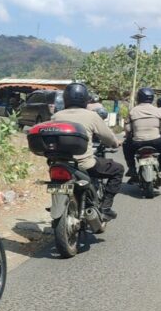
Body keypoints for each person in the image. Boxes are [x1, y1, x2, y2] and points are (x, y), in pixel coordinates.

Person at [51, 83, 123, 220]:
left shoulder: (56, 116)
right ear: (85, 100)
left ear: (66, 99)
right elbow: (108, 137)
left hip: (59, 164)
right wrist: (115, 143)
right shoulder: (92, 116)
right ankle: (105, 207)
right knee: (118, 170)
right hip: (85, 165)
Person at [123, 87, 161, 182]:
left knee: (125, 145)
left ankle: (132, 169)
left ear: (139, 97)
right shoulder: (158, 111)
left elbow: (128, 129)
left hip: (137, 143)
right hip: (156, 141)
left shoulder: (133, 111)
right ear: (152, 98)